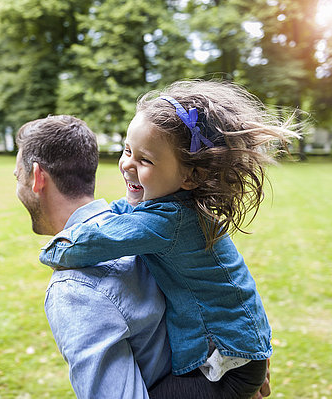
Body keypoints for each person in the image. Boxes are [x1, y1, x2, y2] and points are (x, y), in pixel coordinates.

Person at [40, 80, 299, 398]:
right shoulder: (168, 206)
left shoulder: (166, 223)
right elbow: (122, 213)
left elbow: (92, 244)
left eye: (145, 160)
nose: (128, 165)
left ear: (190, 176)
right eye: (127, 150)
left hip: (225, 368)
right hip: (239, 355)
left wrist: (55, 248)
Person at [14, 115, 171, 399]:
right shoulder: (146, 229)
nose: (18, 187)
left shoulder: (75, 288)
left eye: (18, 177)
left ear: (37, 177)